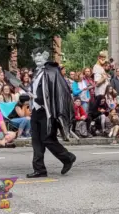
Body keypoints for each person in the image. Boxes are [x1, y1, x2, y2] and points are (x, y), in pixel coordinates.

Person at [26, 47, 76, 178]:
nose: (37, 59)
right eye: (35, 56)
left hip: (49, 112)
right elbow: (35, 90)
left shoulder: (53, 71)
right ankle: (39, 169)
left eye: (40, 56)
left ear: (45, 57)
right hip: (36, 111)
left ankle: (67, 157)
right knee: (36, 140)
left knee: (48, 139)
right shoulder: (36, 72)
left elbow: (62, 91)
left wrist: (54, 109)